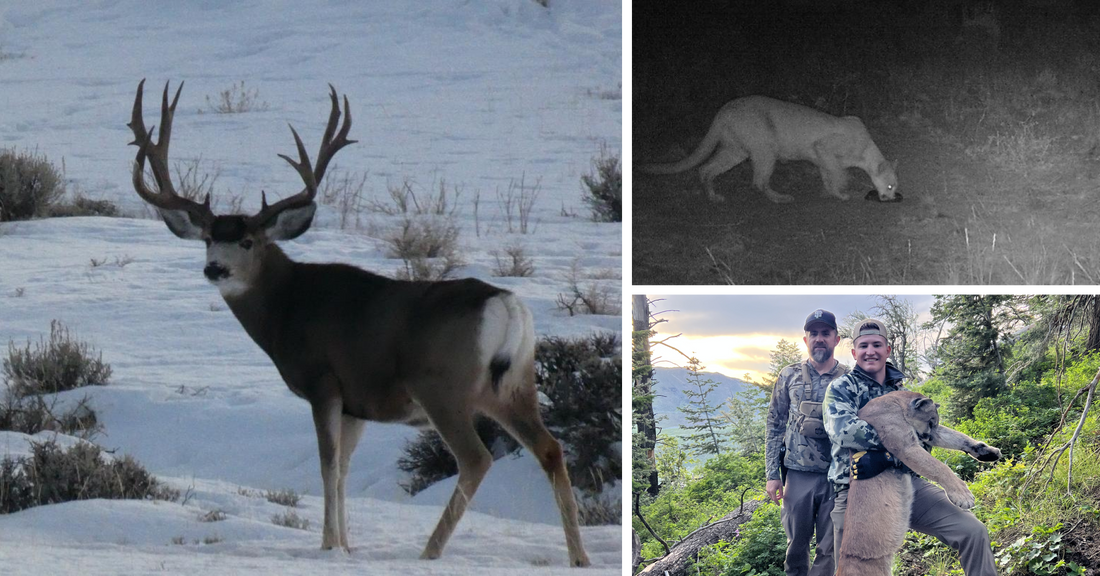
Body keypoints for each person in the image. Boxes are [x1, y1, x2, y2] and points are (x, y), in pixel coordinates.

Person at [823, 319, 997, 576]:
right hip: (857, 492)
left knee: (973, 532)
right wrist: (899, 449)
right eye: (864, 346)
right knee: (855, 568)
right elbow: (843, 432)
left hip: (905, 483)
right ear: (854, 352)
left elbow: (928, 432)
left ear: (888, 350)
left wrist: (971, 446)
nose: (870, 351)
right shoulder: (841, 388)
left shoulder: (902, 392)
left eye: (877, 345)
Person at [765, 309, 850, 576]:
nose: (819, 339)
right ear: (806, 340)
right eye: (814, 334)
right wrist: (772, 474)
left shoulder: (849, 379)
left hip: (836, 478)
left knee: (830, 550)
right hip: (797, 475)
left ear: (836, 339)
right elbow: (775, 423)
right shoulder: (788, 375)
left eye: (826, 333)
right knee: (796, 547)